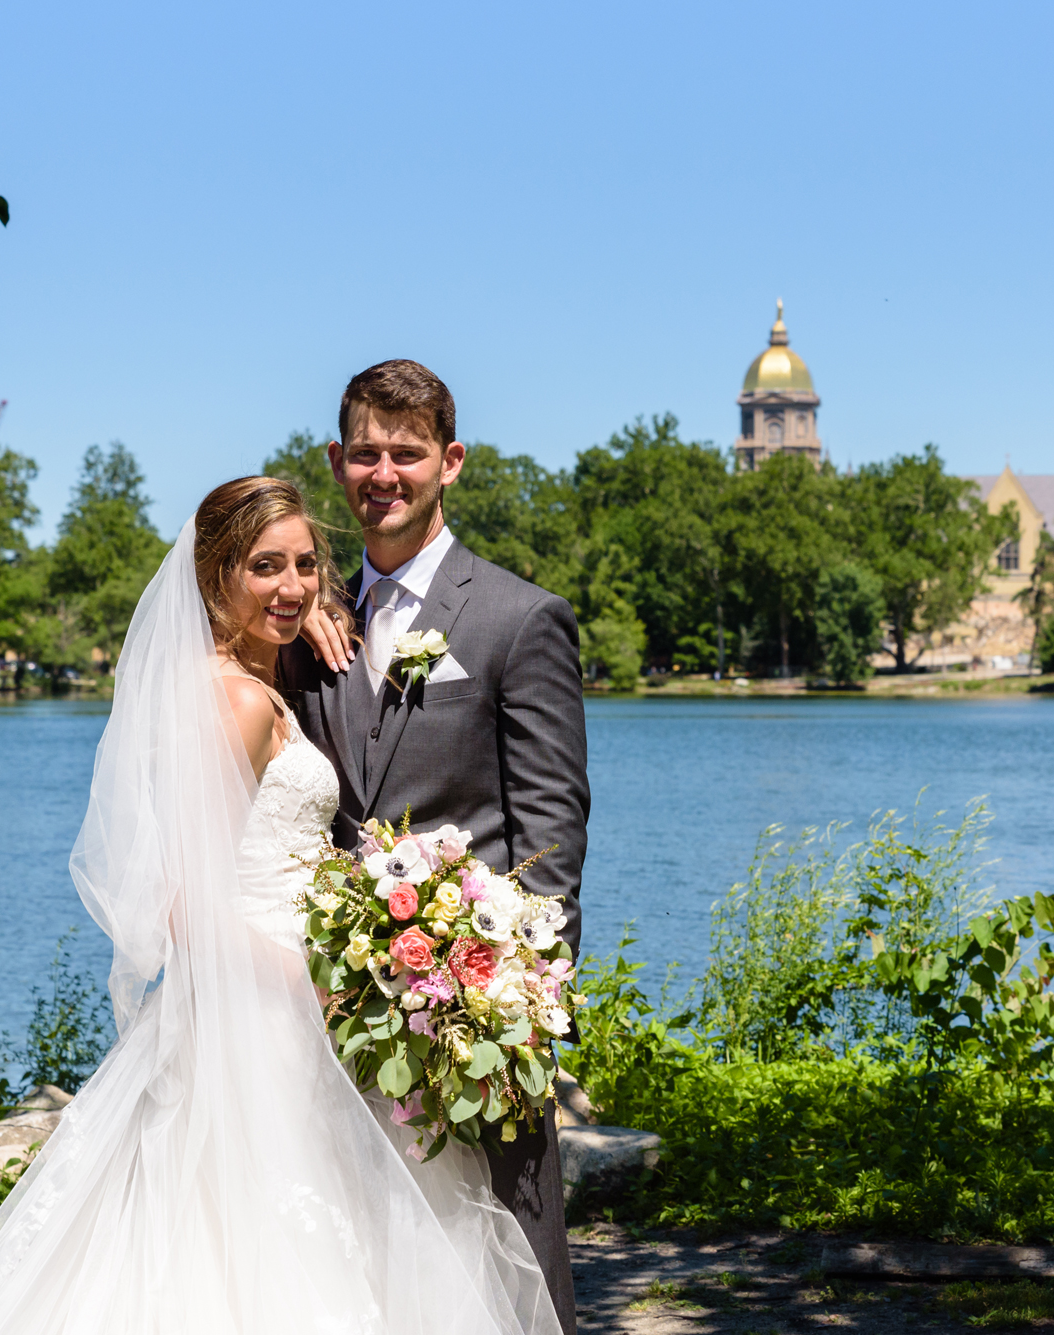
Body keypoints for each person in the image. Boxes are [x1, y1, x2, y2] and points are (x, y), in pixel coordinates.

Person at [0, 477, 561, 1335]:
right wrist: (320, 981)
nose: (290, 587)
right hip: (265, 1004)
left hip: (293, 996)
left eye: (304, 566)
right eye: (264, 567)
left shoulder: (259, 679)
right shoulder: (234, 698)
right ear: (215, 576)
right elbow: (189, 903)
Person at [279, 359, 590, 1333]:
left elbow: (551, 832)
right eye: (364, 453)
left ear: (448, 462)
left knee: (504, 1272)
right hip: (327, 1019)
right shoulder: (302, 629)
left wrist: (521, 1005)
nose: (384, 472)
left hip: (474, 1015)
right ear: (336, 463)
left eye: (405, 453)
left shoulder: (516, 619)